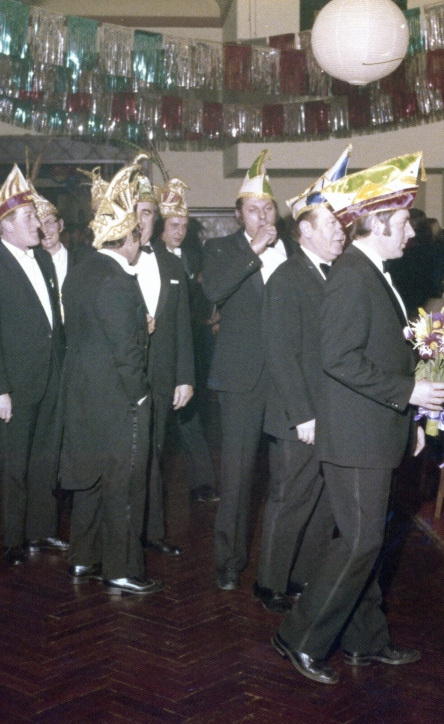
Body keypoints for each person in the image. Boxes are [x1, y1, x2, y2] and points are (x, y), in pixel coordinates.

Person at [272, 152, 444, 684]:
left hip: (374, 431)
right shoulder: (353, 275)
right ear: (378, 222)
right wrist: (410, 391)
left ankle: (364, 641)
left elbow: (381, 356)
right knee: (359, 542)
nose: (411, 233)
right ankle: (297, 636)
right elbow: (339, 359)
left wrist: (411, 418)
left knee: (363, 540)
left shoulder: (370, 271)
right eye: (405, 222)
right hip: (355, 437)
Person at [60, 158, 163, 596]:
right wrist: (141, 396)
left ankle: (82, 557)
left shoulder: (80, 272)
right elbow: (126, 352)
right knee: (124, 483)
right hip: (118, 398)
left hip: (83, 394)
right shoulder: (118, 280)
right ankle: (121, 569)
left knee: (90, 479)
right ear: (130, 237)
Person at [255, 146, 350, 615]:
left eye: (341, 223)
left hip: (330, 411)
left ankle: (302, 576)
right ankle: (269, 582)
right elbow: (280, 354)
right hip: (301, 415)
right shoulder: (287, 278)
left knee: (322, 501)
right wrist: (303, 415)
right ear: (305, 230)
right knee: (290, 499)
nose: (340, 231)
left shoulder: (337, 275)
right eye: (331, 223)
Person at [0, 166, 69, 566]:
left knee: (46, 459)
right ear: (6, 226)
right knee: (13, 464)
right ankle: (13, 540)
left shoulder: (43, 260)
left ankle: (41, 531)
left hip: (50, 377)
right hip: (13, 384)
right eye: (29, 217)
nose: (38, 224)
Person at [202, 150, 291, 591]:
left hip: (287, 379)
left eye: (268, 208)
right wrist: (254, 250)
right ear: (239, 215)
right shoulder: (221, 249)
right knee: (238, 476)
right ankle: (229, 560)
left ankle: (279, 565)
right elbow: (214, 291)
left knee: (287, 476)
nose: (262, 216)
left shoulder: (293, 252)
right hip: (242, 378)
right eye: (253, 210)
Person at [133, 167, 192, 558]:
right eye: (137, 213)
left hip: (162, 373)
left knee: (155, 452)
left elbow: (183, 324)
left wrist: (185, 377)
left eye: (149, 213)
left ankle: (152, 532)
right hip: (121, 374)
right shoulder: (109, 260)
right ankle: (121, 534)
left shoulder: (171, 264)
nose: (143, 221)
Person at [156, 179, 218, 504]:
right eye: (174, 225)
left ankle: (202, 482)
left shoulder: (193, 259)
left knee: (190, 416)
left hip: (190, 347)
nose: (179, 232)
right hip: (158, 349)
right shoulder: (147, 256)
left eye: (183, 226)